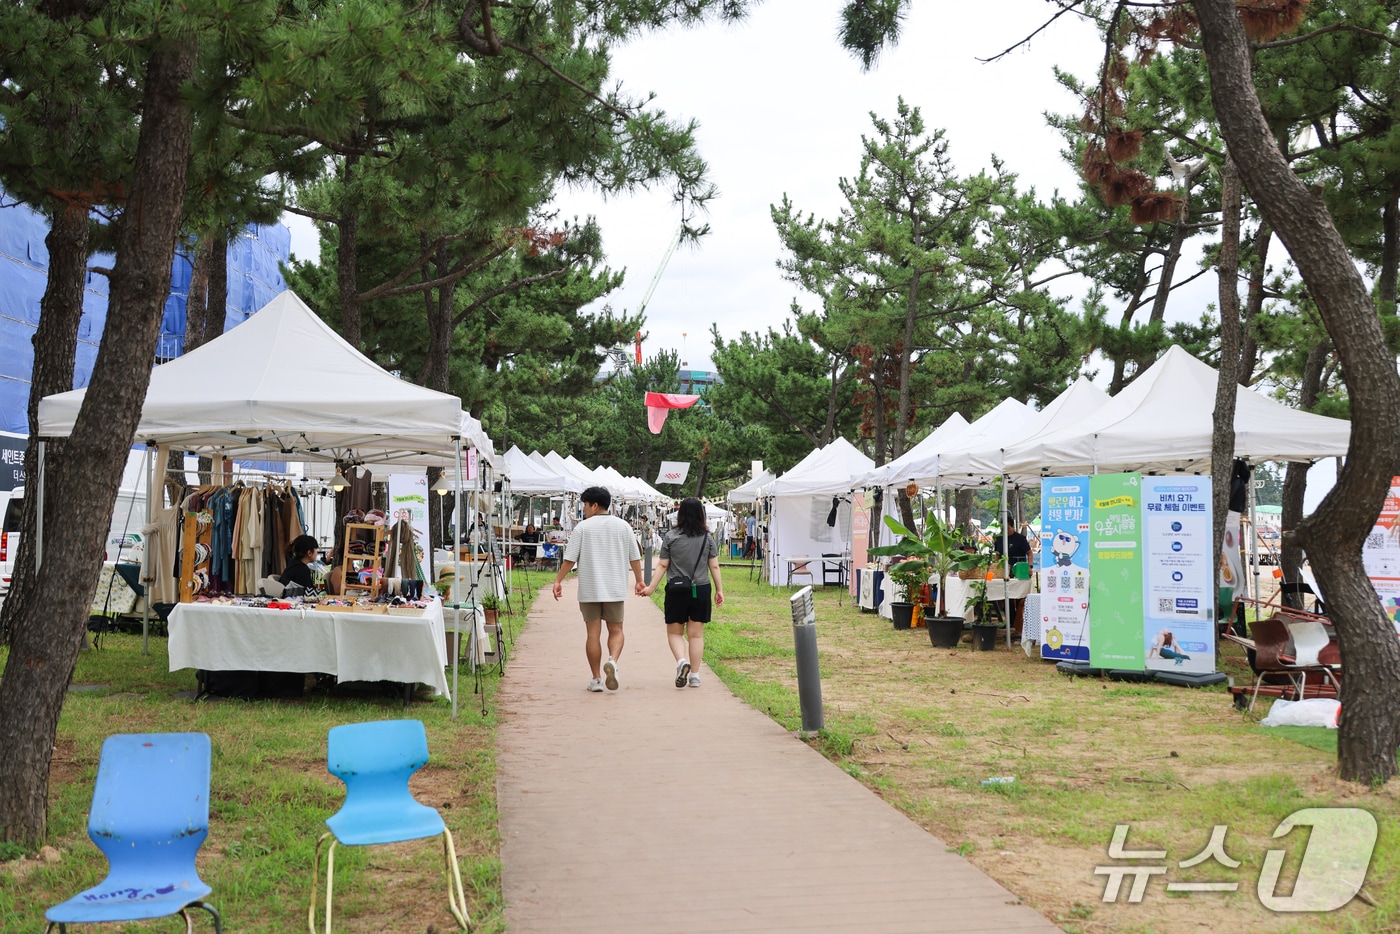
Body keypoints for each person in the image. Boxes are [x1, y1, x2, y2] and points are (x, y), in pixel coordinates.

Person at [552, 486, 645, 692]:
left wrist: (558, 580)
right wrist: (639, 580)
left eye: (584, 505)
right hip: (615, 588)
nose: (583, 509)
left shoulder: (582, 528)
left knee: (592, 635)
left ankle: (595, 679)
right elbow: (635, 557)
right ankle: (612, 660)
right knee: (617, 630)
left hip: (589, 589)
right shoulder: (624, 527)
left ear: (594, 505)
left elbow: (569, 559)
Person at [641, 497, 724, 688]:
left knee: (675, 632)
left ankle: (681, 661)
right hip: (701, 589)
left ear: (681, 514)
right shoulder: (707, 537)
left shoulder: (671, 536)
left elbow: (662, 564)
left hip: (677, 589)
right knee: (696, 635)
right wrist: (719, 590)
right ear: (701, 514)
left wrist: (650, 588)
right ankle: (694, 676)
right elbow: (715, 566)